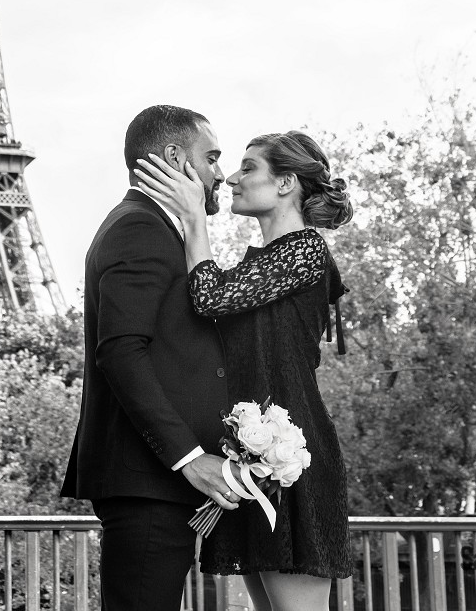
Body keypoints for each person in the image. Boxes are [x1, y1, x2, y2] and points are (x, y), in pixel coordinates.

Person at [135, 129, 354, 611]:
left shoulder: (305, 251)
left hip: (292, 458)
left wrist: (194, 219)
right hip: (250, 458)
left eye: (248, 167)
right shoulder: (262, 265)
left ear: (285, 184)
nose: (231, 177)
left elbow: (211, 296)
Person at [61, 104, 242, 611]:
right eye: (211, 157)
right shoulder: (139, 229)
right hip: (148, 482)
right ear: (172, 158)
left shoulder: (151, 228)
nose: (220, 174)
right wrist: (189, 458)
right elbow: (120, 351)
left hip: (154, 483)